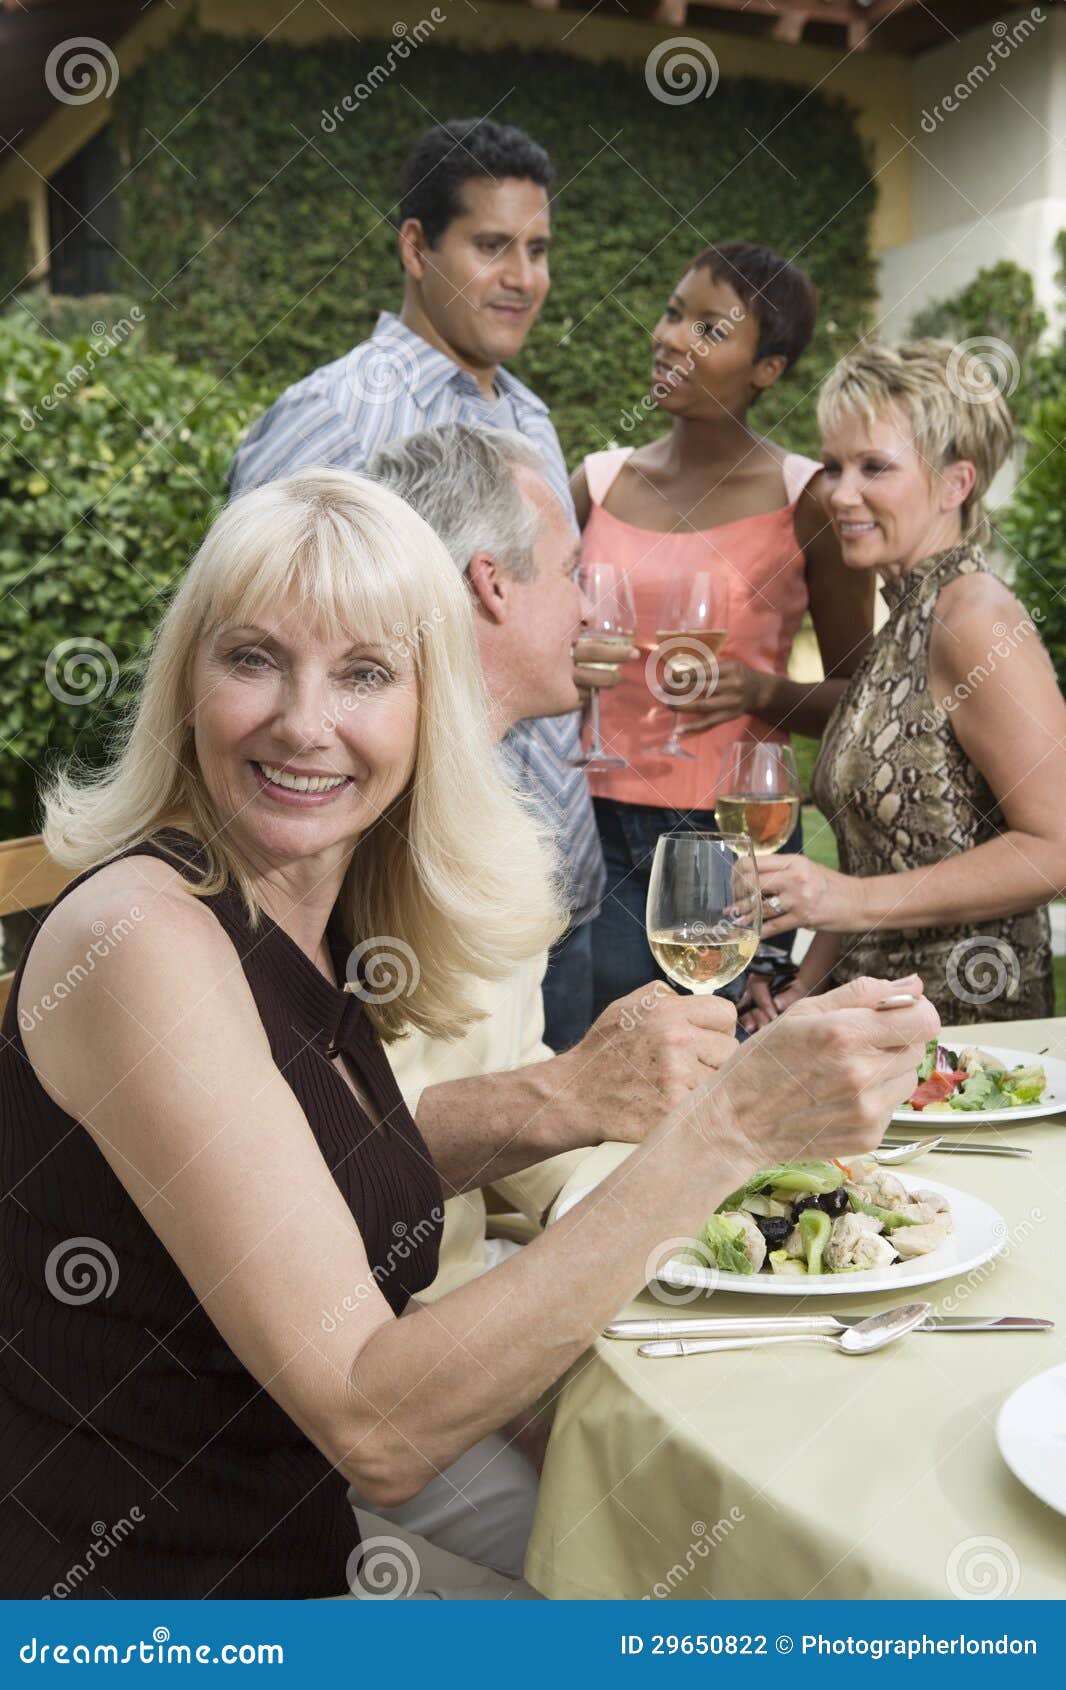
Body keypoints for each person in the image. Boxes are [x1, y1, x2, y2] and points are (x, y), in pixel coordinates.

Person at [0, 466, 937, 1600]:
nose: (303, 721)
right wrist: (730, 1127)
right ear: (185, 685)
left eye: (363, 672)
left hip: (293, 1560)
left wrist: (578, 1106)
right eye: (252, 657)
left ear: (424, 706)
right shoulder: (146, 933)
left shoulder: (309, 917)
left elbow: (308, 1186)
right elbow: (372, 1420)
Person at [229, 116, 603, 1052]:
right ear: (414, 247)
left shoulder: (527, 413)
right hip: (406, 910)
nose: (523, 277)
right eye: (490, 246)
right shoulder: (341, 413)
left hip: (550, 888)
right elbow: (251, 637)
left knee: (556, 1168)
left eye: (538, 249)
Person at [571, 242, 875, 1021]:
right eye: (674, 313)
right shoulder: (594, 486)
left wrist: (761, 691)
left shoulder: (808, 499)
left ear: (765, 369)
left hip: (729, 837)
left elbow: (864, 699)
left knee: (714, 1065)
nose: (672, 337)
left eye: (709, 328)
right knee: (592, 1065)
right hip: (588, 824)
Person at [749, 339, 1066, 1027]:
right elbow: (873, 858)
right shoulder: (905, 623)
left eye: (875, 468)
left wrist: (843, 900)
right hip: (877, 1035)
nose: (840, 493)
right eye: (833, 466)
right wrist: (806, 985)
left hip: (968, 1049)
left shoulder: (975, 619)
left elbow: (1057, 847)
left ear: (957, 483)